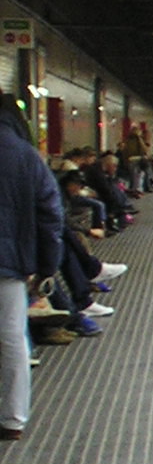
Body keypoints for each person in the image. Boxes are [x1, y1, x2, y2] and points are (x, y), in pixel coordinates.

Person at [1, 108, 65, 441]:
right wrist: (47, 266)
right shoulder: (25, 155)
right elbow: (51, 214)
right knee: (12, 336)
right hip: (9, 263)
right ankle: (13, 419)